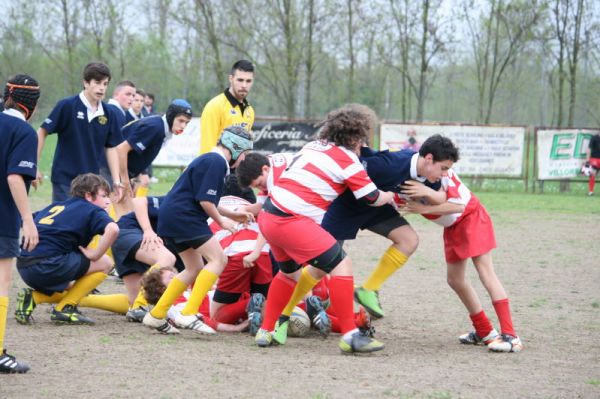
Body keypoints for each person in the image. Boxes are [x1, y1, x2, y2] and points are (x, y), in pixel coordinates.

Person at [251, 104, 396, 354]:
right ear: (352, 137)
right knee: (342, 264)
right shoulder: (349, 160)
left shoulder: (313, 145)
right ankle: (351, 336)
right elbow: (371, 197)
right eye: (360, 140)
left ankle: (266, 330)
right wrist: (390, 195)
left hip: (268, 216)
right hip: (291, 220)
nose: (362, 146)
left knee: (286, 274)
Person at [322, 134, 457, 319]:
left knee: (409, 240)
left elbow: (442, 195)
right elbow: (351, 168)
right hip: (346, 207)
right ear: (429, 159)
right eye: (443, 169)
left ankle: (368, 290)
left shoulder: (427, 176)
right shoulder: (390, 164)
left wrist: (426, 193)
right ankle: (295, 307)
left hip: (376, 209)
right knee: (321, 262)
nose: (445, 174)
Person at [142, 126, 254, 335]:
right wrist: (222, 222)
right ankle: (188, 313)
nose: (244, 159)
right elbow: (204, 201)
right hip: (185, 217)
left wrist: (232, 215)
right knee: (219, 260)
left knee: (194, 268)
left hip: (173, 216)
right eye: (245, 154)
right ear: (236, 147)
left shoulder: (211, 160)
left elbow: (205, 198)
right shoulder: (216, 161)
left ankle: (156, 315)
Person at [403, 168, 523, 353]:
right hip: (453, 227)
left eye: (445, 166)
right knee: (455, 280)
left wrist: (425, 201)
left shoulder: (443, 173)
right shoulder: (407, 181)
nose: (444, 170)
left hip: (472, 217)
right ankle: (485, 331)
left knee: (486, 272)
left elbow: (458, 205)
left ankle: (511, 335)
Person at [14, 174, 119, 326]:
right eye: (103, 196)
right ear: (88, 195)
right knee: (106, 263)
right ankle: (65, 308)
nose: (108, 201)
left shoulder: (57, 206)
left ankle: (33, 298)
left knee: (75, 287)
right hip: (47, 266)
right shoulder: (93, 210)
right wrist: (96, 254)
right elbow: (114, 229)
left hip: (24, 266)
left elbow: (26, 220)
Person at [36, 62, 124, 202]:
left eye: (105, 84)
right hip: (65, 181)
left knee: (87, 223)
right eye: (97, 82)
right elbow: (42, 131)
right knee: (65, 223)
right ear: (86, 82)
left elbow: (111, 147)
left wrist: (116, 181)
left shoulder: (109, 113)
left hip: (92, 184)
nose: (101, 88)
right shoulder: (67, 106)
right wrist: (34, 165)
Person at [0, 74, 40, 374]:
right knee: (2, 282)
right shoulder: (23, 131)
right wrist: (28, 221)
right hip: (3, 216)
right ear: (33, 105)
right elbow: (14, 177)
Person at [110, 194, 183, 322]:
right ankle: (139, 306)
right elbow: (139, 201)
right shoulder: (182, 200)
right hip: (129, 231)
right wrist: (148, 230)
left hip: (128, 243)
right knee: (167, 258)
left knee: (132, 302)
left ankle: (78, 300)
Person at [200, 60, 256, 203]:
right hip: (218, 172)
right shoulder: (215, 106)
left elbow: (245, 149)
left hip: (238, 175)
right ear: (231, 78)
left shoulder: (249, 111)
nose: (244, 85)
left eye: (248, 81)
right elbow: (207, 146)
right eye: (240, 80)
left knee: (251, 210)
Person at [115, 99, 193, 197]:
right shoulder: (155, 127)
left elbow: (136, 154)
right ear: (170, 116)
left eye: (187, 123)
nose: (183, 126)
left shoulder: (162, 129)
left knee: (129, 210)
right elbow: (121, 149)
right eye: (181, 121)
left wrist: (133, 177)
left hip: (119, 174)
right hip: (110, 171)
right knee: (120, 211)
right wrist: (125, 181)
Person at [141, 265, 251, 333]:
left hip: (233, 300)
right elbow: (201, 319)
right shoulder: (173, 303)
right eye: (172, 277)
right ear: (161, 289)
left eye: (177, 274)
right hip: (222, 312)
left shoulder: (187, 292)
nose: (179, 277)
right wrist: (236, 329)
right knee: (257, 300)